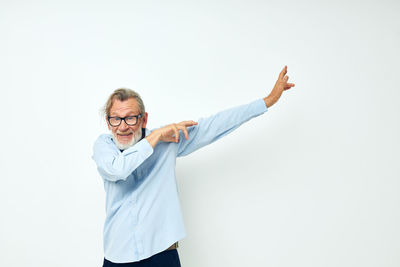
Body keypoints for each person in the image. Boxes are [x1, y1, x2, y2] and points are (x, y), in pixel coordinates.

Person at [93, 66, 295, 266]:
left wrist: (267, 101)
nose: (122, 126)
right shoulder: (104, 146)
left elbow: (214, 125)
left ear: (144, 119)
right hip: (118, 256)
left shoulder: (167, 140)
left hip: (161, 253)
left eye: (130, 118)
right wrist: (155, 136)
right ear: (108, 122)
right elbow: (117, 170)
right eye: (115, 119)